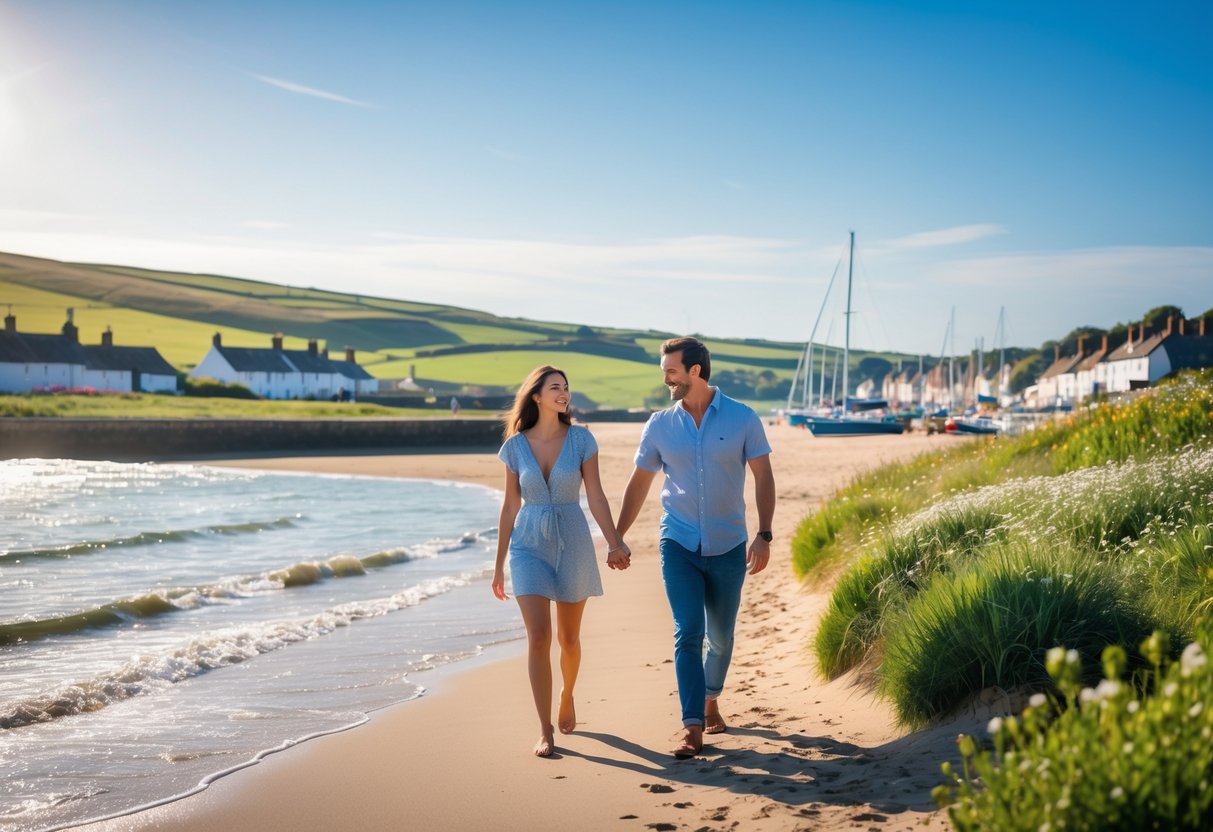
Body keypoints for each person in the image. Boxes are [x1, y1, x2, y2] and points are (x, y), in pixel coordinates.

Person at [617, 336, 775, 759]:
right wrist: (617, 535)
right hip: (679, 542)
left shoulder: (743, 418)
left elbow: (763, 476)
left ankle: (710, 699)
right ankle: (692, 727)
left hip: (728, 545)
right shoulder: (660, 424)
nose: (665, 378)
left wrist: (765, 533)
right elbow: (639, 483)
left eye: (671, 370)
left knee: (720, 639)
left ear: (695, 372)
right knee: (688, 632)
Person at [493, 365, 632, 757]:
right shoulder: (515, 447)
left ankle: (567, 694)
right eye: (555, 387)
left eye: (566, 388)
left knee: (569, 639)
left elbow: (597, 497)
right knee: (539, 638)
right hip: (528, 544)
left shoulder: (583, 440)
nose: (564, 393)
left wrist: (614, 542)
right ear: (536, 396)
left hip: (573, 539)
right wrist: (499, 564)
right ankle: (544, 731)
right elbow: (508, 507)